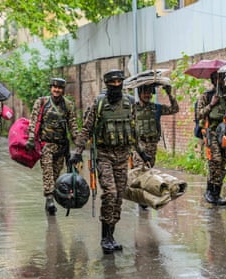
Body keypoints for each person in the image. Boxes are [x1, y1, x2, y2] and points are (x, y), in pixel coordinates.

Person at [68, 69, 151, 254]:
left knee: (119, 196)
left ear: (122, 84)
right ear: (107, 84)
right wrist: (78, 152)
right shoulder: (99, 104)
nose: (115, 86)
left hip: (122, 156)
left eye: (118, 82)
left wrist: (142, 153)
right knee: (110, 193)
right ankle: (105, 237)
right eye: (112, 83)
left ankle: (111, 235)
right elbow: (86, 130)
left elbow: (133, 131)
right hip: (104, 156)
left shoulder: (129, 103)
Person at [26, 78, 79, 216]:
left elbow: (73, 125)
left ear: (63, 90)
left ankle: (49, 199)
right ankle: (49, 199)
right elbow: (33, 121)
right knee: (47, 172)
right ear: (51, 88)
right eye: (54, 87)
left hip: (61, 147)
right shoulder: (42, 102)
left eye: (59, 88)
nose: (57, 90)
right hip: (46, 145)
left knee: (56, 175)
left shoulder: (68, 105)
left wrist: (79, 144)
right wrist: (31, 138)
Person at [195, 71, 226, 206]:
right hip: (212, 132)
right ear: (212, 81)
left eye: (221, 78)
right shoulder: (206, 96)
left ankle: (216, 193)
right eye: (216, 78)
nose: (219, 81)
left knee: (223, 164)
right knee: (215, 161)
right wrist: (211, 104)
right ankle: (210, 191)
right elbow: (199, 115)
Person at [132, 82, 179, 168]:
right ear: (139, 94)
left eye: (149, 93)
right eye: (145, 93)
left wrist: (169, 94)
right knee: (139, 170)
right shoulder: (133, 109)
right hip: (139, 145)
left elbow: (174, 109)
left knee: (149, 169)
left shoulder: (157, 108)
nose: (147, 95)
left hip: (152, 145)